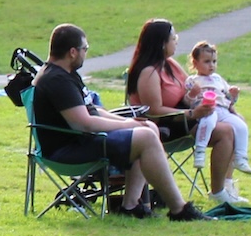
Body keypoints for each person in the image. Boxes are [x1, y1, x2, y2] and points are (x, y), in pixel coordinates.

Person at [31, 23, 200, 220]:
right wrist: (129, 125)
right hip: (68, 150)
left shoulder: (65, 74)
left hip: (81, 140)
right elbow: (84, 123)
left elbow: (94, 111)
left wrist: (131, 122)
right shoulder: (57, 80)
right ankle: (180, 210)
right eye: (85, 49)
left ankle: (131, 206)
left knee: (148, 128)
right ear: (72, 52)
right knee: (144, 136)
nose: (86, 53)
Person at [126, 17, 238, 204]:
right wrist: (192, 114)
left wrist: (227, 102)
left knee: (233, 124)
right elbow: (154, 111)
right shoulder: (149, 72)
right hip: (165, 126)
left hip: (187, 116)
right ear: (162, 43)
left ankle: (227, 186)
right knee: (225, 132)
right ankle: (218, 193)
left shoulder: (170, 64)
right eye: (173, 38)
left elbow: (193, 88)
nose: (176, 40)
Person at [188, 39, 251, 178]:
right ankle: (200, 152)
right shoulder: (192, 80)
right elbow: (187, 101)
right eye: (207, 62)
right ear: (195, 63)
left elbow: (228, 99)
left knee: (241, 125)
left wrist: (233, 96)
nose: (211, 65)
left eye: (214, 62)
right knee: (208, 122)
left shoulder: (218, 79)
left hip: (222, 109)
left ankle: (241, 157)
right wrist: (193, 94)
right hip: (206, 109)